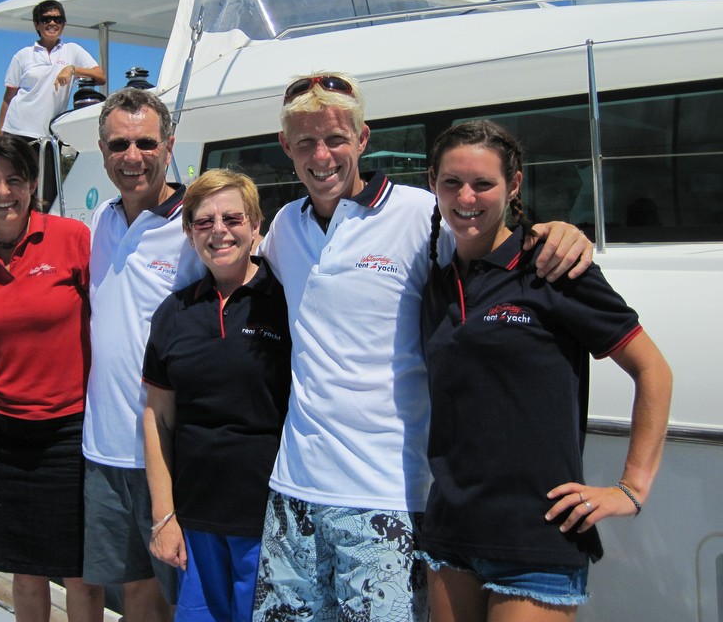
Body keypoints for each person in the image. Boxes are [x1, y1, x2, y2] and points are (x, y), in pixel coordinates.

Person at [251, 72, 595, 622]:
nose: (322, 155)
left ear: (363, 139)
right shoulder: (283, 228)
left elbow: (497, 249)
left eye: (337, 138)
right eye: (306, 142)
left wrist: (559, 231)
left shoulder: (422, 215)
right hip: (292, 492)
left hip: (389, 498)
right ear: (285, 148)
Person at [418, 120, 672, 622]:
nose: (466, 197)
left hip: (538, 537)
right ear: (432, 183)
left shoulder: (552, 268)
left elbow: (653, 371)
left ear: (514, 186)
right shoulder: (438, 284)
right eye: (452, 182)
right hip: (451, 534)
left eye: (483, 184)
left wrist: (632, 488)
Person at [0, 135, 104, 622]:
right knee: (23, 569)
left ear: (33, 185)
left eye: (15, 180)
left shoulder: (73, 239)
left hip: (70, 431)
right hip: (1, 433)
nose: (4, 191)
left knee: (79, 571)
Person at [143, 169, 292, 622]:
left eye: (233, 218)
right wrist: (164, 517)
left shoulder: (287, 301)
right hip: (197, 523)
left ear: (256, 227)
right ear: (189, 234)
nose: (219, 231)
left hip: (271, 523)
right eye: (204, 222)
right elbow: (158, 418)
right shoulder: (174, 312)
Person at [82, 87, 205, 622]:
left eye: (146, 143)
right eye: (119, 144)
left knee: (186, 599)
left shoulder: (197, 228)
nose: (132, 157)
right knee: (134, 592)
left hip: (171, 457)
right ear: (102, 150)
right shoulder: (101, 223)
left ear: (169, 144)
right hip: (103, 451)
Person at [0, 0, 107, 208]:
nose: (52, 23)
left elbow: (100, 76)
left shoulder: (72, 51)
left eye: (58, 19)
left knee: (46, 196)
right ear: (37, 24)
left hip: (48, 136)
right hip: (17, 130)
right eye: (46, 19)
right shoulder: (23, 56)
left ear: (63, 24)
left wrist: (73, 69)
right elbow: (8, 99)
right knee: (15, 190)